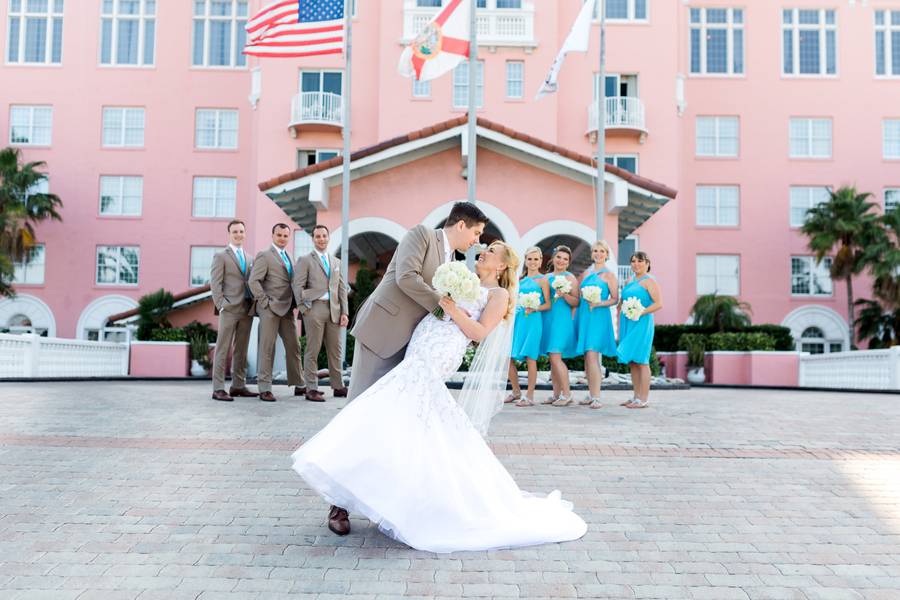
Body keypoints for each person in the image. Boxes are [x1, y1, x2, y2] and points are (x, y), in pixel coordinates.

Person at [292, 241, 587, 552]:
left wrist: (452, 309)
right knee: (407, 419)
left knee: (389, 408)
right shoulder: (465, 278)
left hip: (441, 352)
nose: (483, 252)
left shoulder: (498, 295)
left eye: (491, 251)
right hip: (423, 341)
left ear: (501, 266)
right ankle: (374, 490)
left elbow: (478, 332)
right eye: (484, 248)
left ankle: (357, 487)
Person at [337, 201, 487, 534]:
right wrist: (444, 307)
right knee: (359, 414)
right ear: (460, 225)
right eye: (476, 233)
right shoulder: (421, 235)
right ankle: (338, 506)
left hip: (411, 348)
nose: (477, 241)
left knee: (391, 425)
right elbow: (406, 278)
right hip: (382, 333)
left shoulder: (452, 261)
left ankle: (380, 502)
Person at [248, 223, 305, 402]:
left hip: (287, 308)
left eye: (285, 235)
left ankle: (299, 384)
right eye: (279, 235)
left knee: (294, 346)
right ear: (273, 235)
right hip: (270, 309)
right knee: (267, 347)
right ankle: (264, 388)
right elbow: (253, 281)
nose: (282, 238)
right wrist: (264, 301)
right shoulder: (264, 256)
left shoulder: (289, 256)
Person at [293, 225, 349, 402]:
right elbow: (297, 286)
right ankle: (311, 389)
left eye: (324, 236)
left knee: (335, 350)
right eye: (318, 236)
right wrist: (304, 309)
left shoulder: (336, 262)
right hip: (314, 309)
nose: (321, 239)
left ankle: (338, 386)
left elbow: (341, 289)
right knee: (313, 350)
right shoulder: (305, 260)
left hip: (334, 310)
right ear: (313, 239)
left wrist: (344, 312)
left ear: (328, 237)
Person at [209, 219, 258, 402]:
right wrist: (221, 304)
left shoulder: (250, 258)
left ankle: (238, 385)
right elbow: (215, 282)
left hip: (246, 308)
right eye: (235, 231)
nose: (239, 234)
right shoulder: (221, 256)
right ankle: (218, 388)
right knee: (223, 348)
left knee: (241, 349)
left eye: (241, 231)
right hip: (229, 308)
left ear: (245, 233)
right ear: (229, 234)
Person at [575, 240, 618, 409]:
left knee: (592, 355)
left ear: (606, 255)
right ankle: (591, 393)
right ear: (592, 254)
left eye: (601, 251)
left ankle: (597, 397)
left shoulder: (609, 275)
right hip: (585, 316)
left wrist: (598, 303)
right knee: (587, 357)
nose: (598, 254)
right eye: (595, 251)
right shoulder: (587, 274)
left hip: (599, 317)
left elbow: (615, 299)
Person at [505, 246, 550, 407]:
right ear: (526, 260)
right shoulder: (520, 280)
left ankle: (529, 395)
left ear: (540, 261)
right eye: (530, 259)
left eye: (536, 259)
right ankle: (516, 391)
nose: (532, 262)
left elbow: (548, 304)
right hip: (518, 321)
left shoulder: (543, 280)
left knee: (531, 357)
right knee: (507, 356)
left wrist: (534, 307)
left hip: (533, 321)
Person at [617, 251, 663, 409]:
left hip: (642, 323)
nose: (636, 264)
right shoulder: (630, 280)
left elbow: (658, 303)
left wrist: (640, 312)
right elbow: (623, 300)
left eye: (640, 261)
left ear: (647, 263)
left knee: (642, 360)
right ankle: (636, 397)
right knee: (632, 361)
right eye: (633, 261)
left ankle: (643, 399)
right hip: (627, 322)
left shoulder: (649, 281)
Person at [541, 245, 579, 407]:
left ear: (568, 262)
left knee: (556, 357)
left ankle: (567, 394)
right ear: (553, 258)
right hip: (547, 320)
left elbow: (576, 302)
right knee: (552, 358)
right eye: (559, 257)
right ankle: (556, 394)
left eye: (565, 259)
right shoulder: (546, 277)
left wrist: (564, 295)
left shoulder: (570, 278)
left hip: (562, 321)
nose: (561, 261)